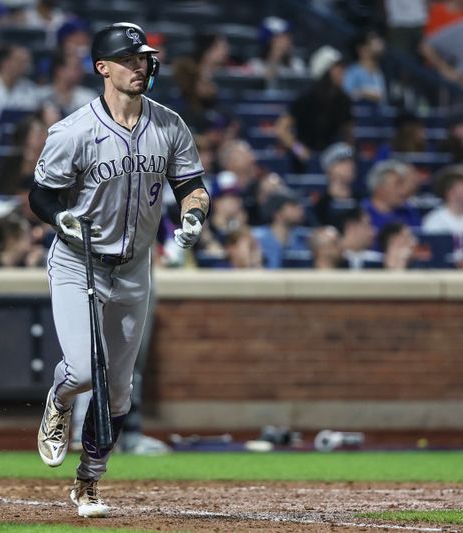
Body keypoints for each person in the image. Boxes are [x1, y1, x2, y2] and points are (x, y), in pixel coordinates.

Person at [29, 22, 209, 518]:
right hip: (78, 260)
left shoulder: (169, 124)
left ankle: (88, 483)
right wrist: (57, 216)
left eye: (144, 58)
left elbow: (192, 184)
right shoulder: (73, 131)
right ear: (102, 68)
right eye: (130, 59)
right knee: (86, 370)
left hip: (133, 268)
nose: (141, 66)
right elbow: (40, 194)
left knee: (120, 389)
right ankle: (61, 399)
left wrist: (194, 214)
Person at [274, 45, 352, 171]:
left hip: (332, 161)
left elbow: (349, 134)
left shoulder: (344, 100)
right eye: (337, 68)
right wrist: (298, 149)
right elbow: (281, 128)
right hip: (303, 162)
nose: (343, 72)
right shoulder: (306, 98)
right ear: (325, 71)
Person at [251, 189, 308, 268]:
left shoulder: (303, 239)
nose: (299, 209)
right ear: (277, 214)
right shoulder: (256, 239)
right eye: (293, 205)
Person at [343, 30, 387, 104]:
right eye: (373, 39)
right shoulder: (353, 72)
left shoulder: (380, 72)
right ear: (362, 49)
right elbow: (345, 95)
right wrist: (363, 92)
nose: (380, 43)